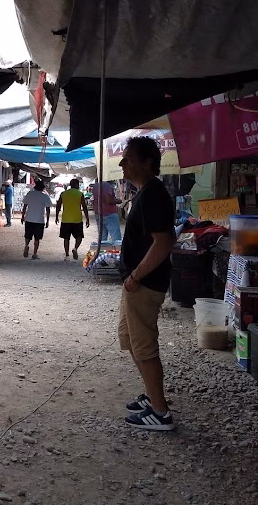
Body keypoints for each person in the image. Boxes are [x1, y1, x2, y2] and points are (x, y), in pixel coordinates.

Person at [118, 137, 176, 431]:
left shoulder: (153, 193)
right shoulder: (144, 192)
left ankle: (161, 412)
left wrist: (135, 276)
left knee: (144, 345)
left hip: (144, 283)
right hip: (136, 282)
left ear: (147, 163)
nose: (122, 164)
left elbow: (164, 243)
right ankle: (152, 397)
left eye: (128, 159)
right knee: (130, 340)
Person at [55, 178, 90, 260]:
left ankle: (67, 255)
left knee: (66, 238)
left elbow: (58, 205)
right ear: (77, 185)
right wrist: (87, 218)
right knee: (79, 236)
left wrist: (56, 216)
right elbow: (84, 206)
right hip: (77, 219)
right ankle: (75, 248)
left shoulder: (63, 194)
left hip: (66, 219)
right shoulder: (80, 194)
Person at [21, 178, 52, 259]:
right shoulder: (45, 196)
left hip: (29, 218)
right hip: (39, 220)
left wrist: (22, 216)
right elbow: (48, 209)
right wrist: (48, 220)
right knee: (37, 238)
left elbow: (24, 206)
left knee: (27, 235)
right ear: (42, 188)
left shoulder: (30, 194)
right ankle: (34, 253)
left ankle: (26, 245)